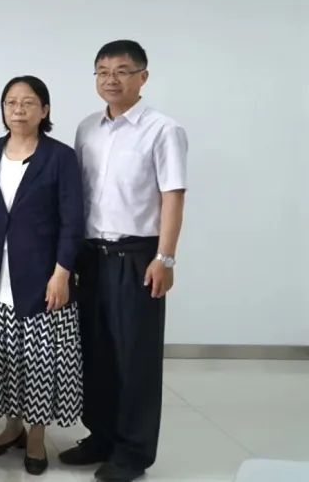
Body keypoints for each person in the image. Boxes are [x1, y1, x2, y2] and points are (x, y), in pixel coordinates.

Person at [59, 40, 187, 482]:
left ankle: (133, 452)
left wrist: (165, 257)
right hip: (91, 258)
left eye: (121, 71)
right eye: (102, 71)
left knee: (135, 357)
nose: (110, 79)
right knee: (96, 352)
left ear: (142, 77)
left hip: (137, 257)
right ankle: (101, 436)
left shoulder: (163, 129)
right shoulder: (86, 129)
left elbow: (173, 197)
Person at [0, 76, 84, 476]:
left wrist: (62, 273)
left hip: (42, 276)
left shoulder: (60, 157)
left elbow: (73, 220)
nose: (18, 110)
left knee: (39, 362)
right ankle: (12, 427)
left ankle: (36, 437)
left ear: (45, 110)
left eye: (28, 102)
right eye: (11, 102)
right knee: (5, 359)